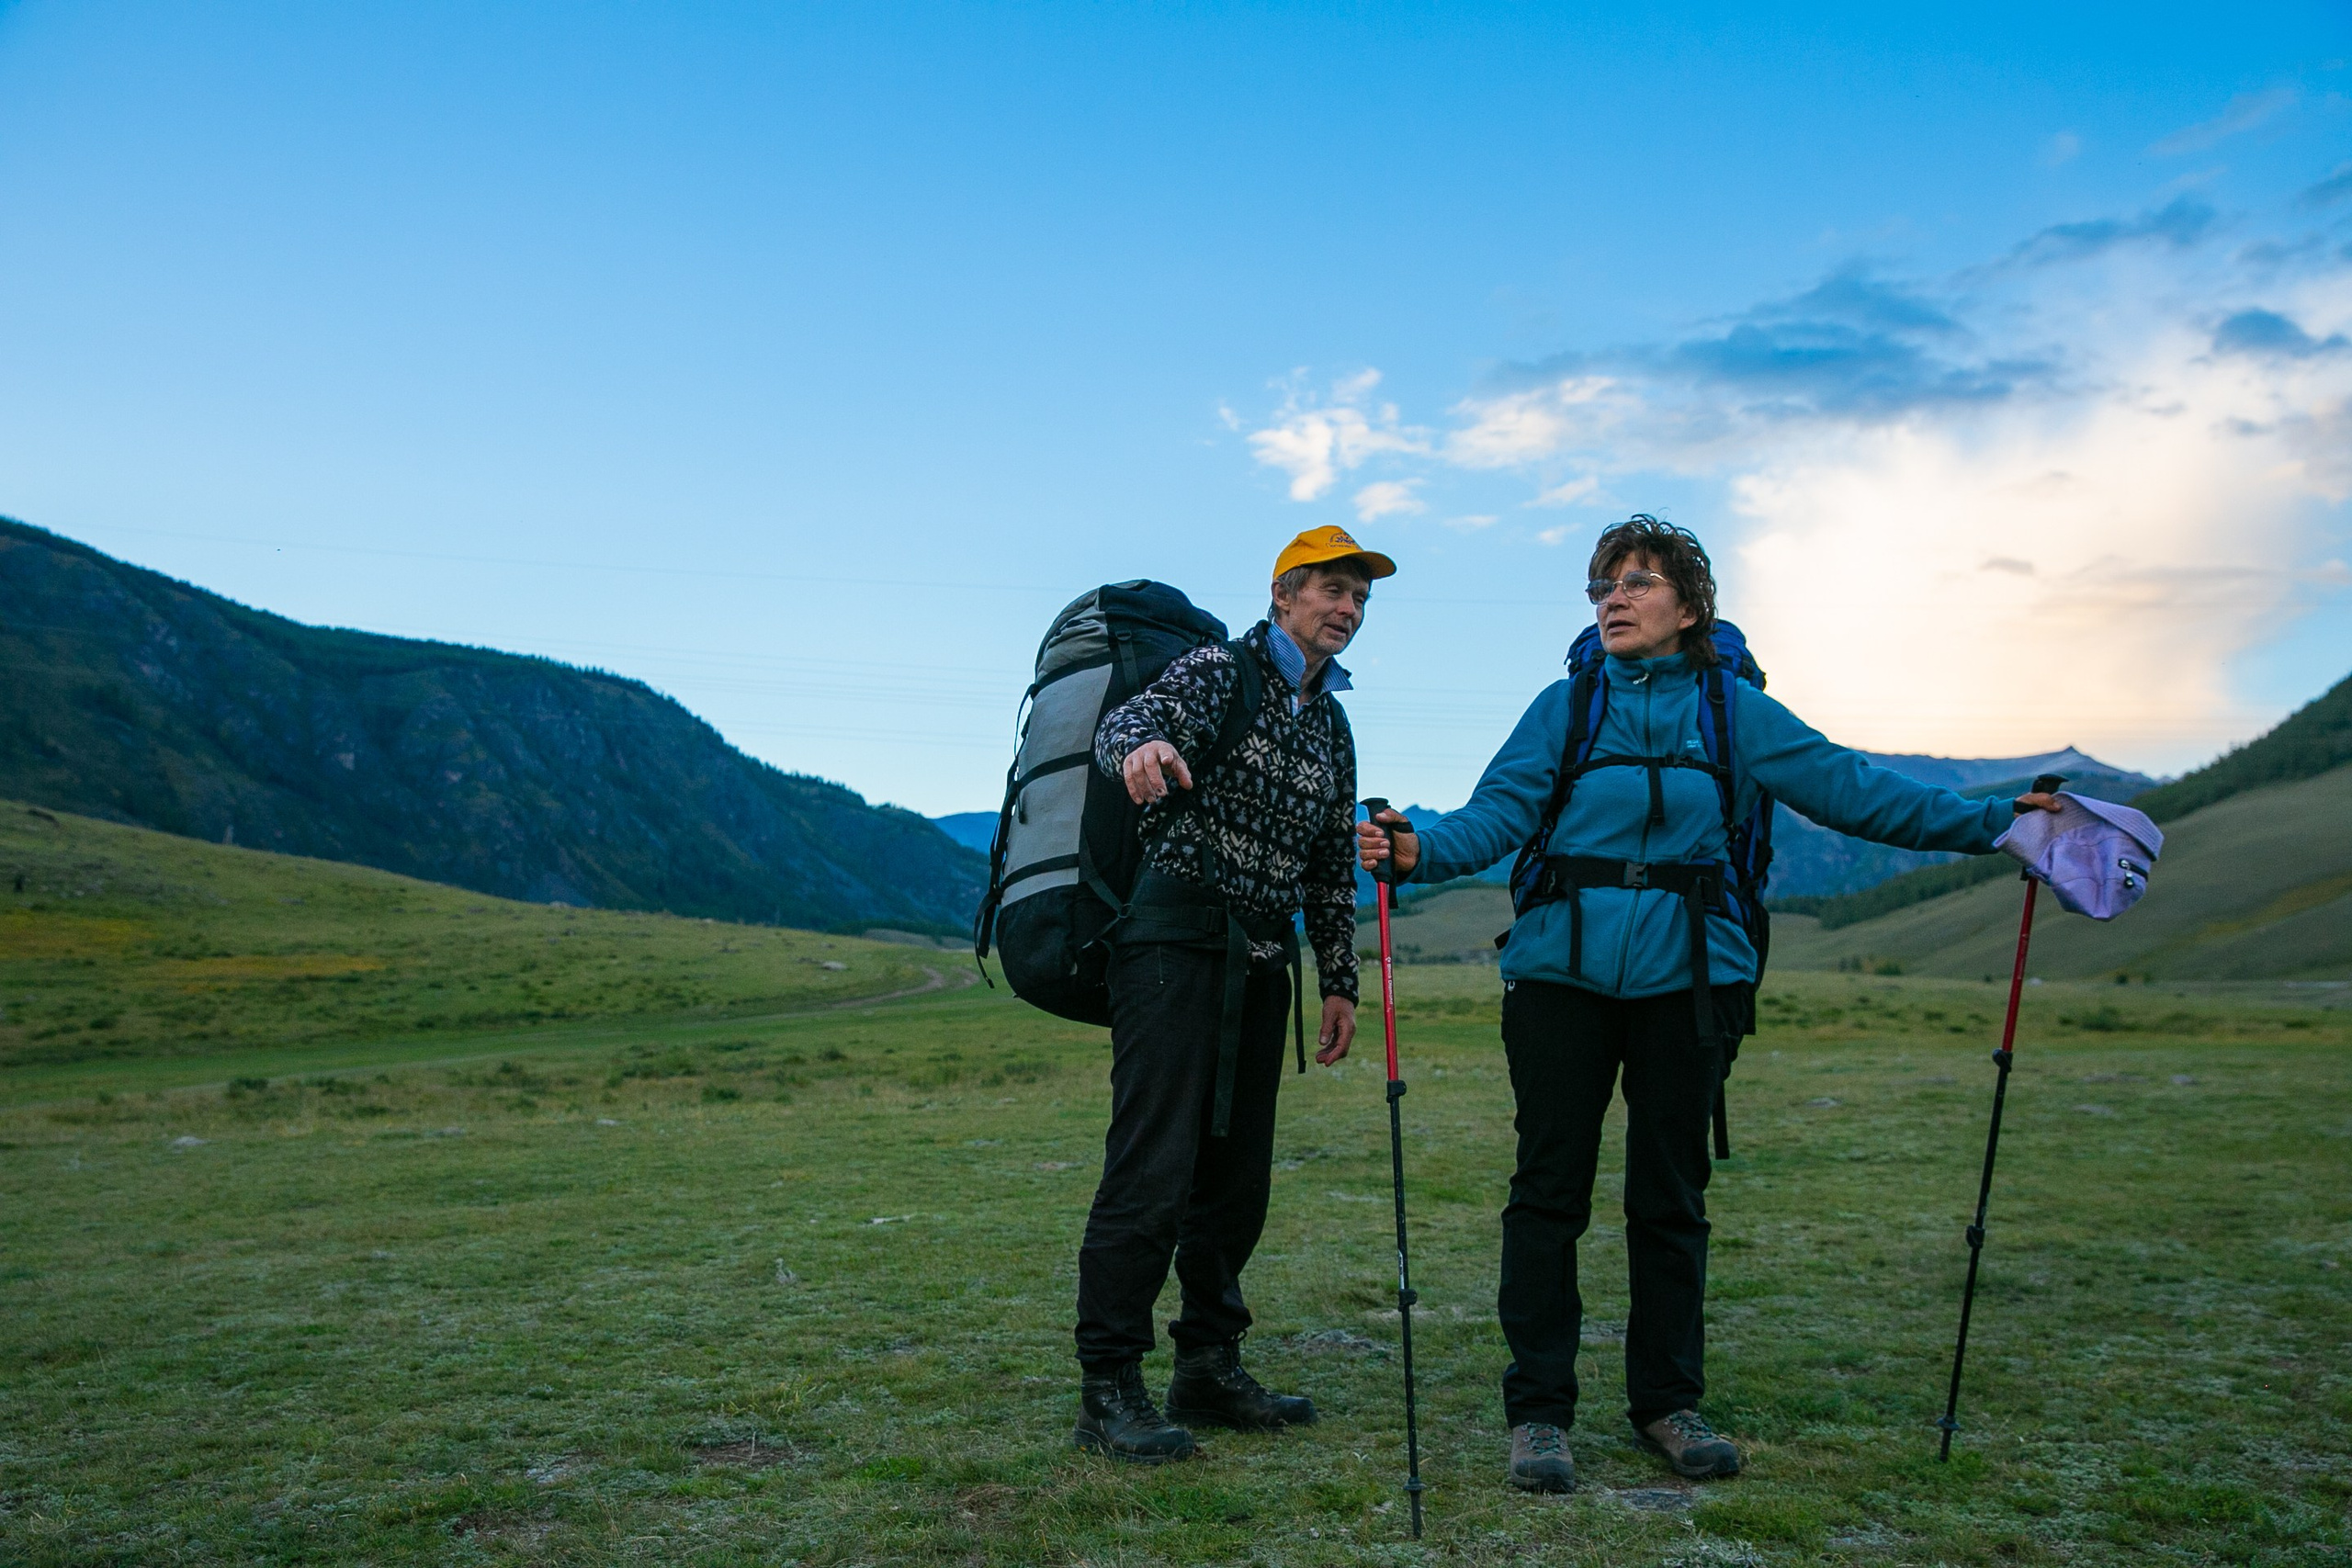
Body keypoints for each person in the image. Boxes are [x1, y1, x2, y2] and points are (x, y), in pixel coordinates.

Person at [1356, 514, 2060, 1495]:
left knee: (1669, 1197)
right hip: (1558, 976)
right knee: (1546, 1192)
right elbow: (1497, 816)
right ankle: (1539, 1415)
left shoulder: (1735, 712)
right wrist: (1416, 847)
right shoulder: (1563, 708)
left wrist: (1995, 823)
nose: (1614, 597)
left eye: (1639, 582)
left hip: (1693, 980)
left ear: (1689, 609)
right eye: (1604, 584)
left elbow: (1855, 790)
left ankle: (1666, 1405)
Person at [1072, 525, 1395, 1463]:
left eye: (1360, 599)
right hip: (1172, 941)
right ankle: (1107, 1389)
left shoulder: (1331, 722)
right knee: (1152, 1168)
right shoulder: (1220, 669)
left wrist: (1338, 982)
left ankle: (1206, 1366)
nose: (1347, 609)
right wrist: (1138, 754)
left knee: (1237, 1181)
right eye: (1332, 590)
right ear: (1284, 594)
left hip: (1262, 961)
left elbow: (1332, 864)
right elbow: (1126, 724)